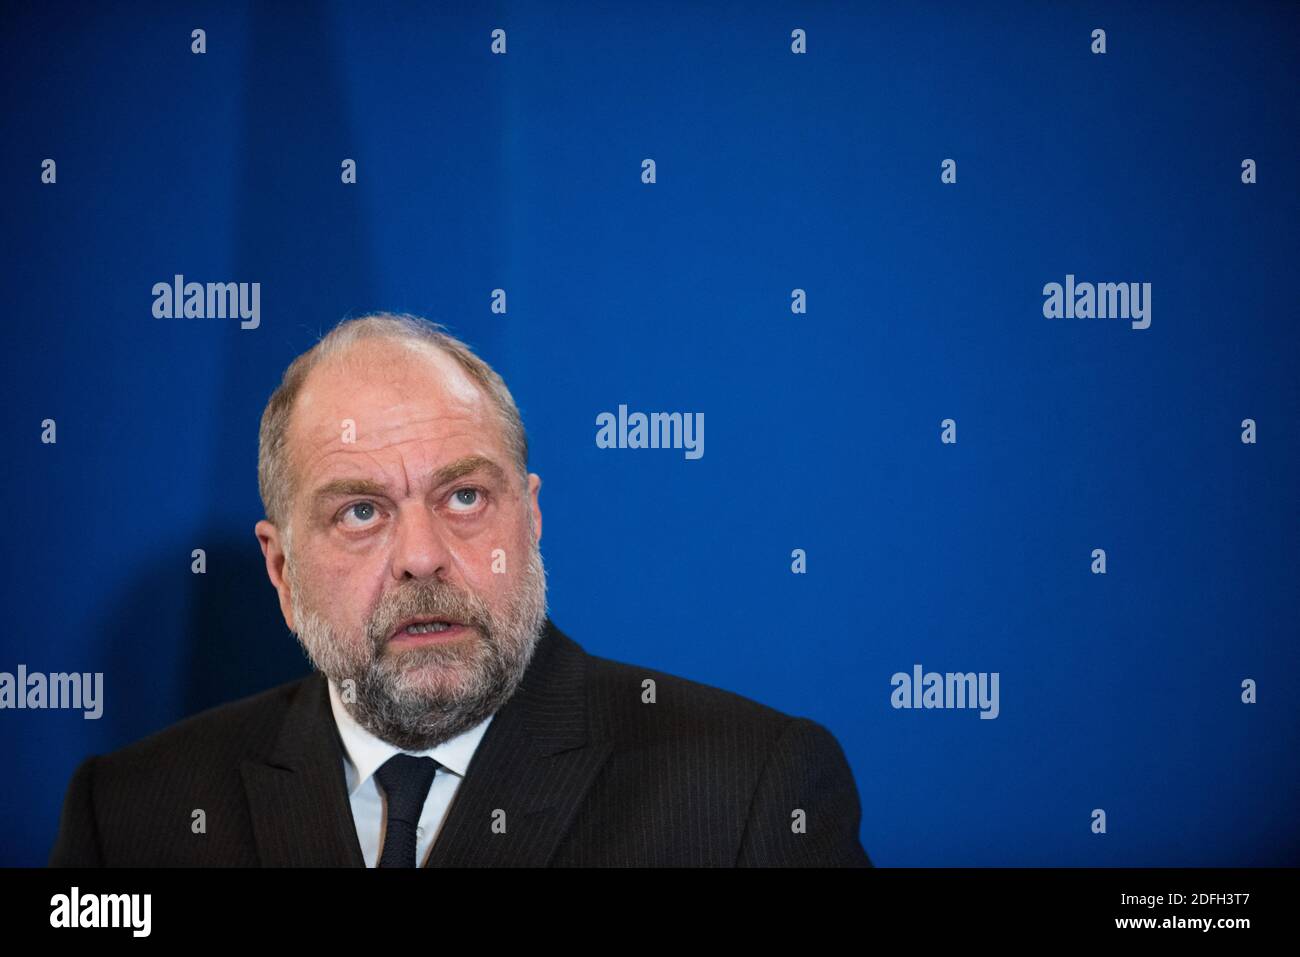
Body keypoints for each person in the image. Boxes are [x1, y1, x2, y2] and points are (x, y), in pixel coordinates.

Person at [48, 312, 872, 867]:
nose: (422, 556)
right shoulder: (128, 818)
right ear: (283, 571)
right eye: (361, 510)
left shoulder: (747, 797)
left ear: (532, 519)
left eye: (465, 497)